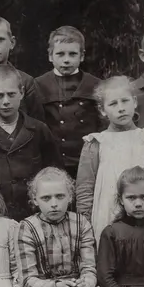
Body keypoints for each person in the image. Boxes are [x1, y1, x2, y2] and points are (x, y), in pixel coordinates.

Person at [75, 74, 144, 241]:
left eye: (125, 101)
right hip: (107, 216)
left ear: (135, 102)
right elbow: (85, 189)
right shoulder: (95, 143)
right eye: (113, 104)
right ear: (102, 110)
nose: (121, 108)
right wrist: (85, 226)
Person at [0, 64, 64, 221]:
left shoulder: (39, 130)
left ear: (22, 93)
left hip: (36, 214)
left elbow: (56, 172)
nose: (6, 101)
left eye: (11, 94)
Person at [32, 26, 102, 178]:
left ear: (82, 56)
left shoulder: (95, 85)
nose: (66, 60)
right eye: (60, 54)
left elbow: (102, 125)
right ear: (50, 56)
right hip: (52, 163)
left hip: (88, 163)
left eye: (72, 54)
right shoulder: (38, 85)